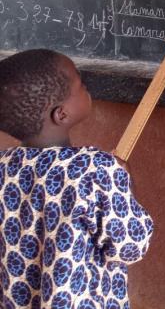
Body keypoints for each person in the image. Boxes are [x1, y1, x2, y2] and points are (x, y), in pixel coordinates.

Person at [0, 49, 153, 309]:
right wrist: (125, 180)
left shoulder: (4, 166)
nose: (86, 87)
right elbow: (131, 245)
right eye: (80, 84)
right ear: (61, 114)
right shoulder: (96, 170)